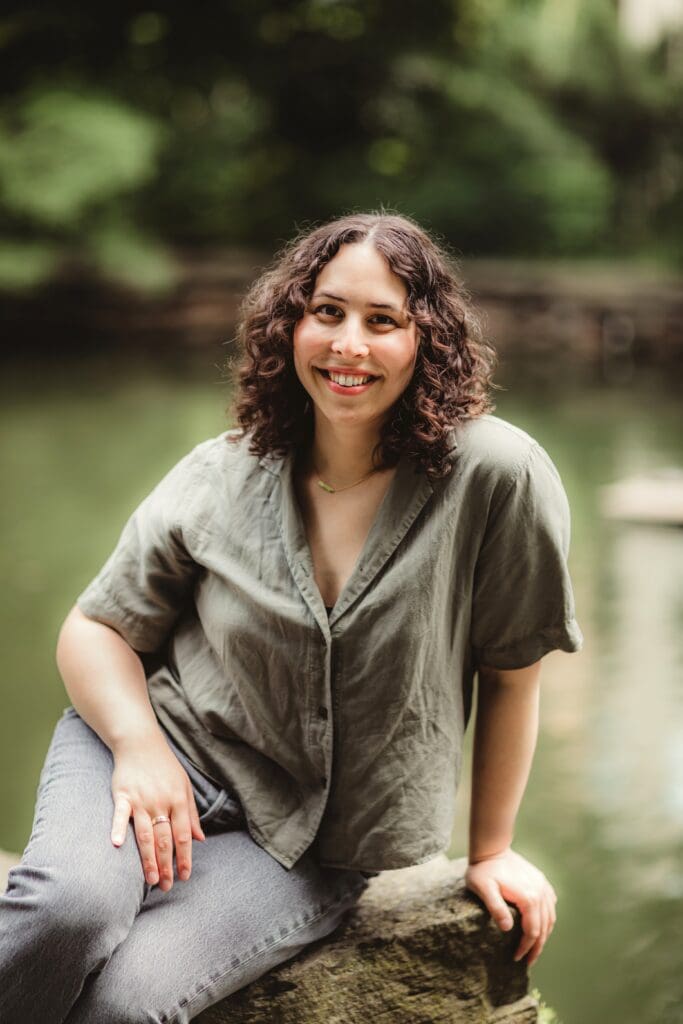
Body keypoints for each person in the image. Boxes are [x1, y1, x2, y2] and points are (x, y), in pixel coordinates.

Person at [0, 211, 583, 1023]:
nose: (349, 344)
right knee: (68, 912)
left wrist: (489, 851)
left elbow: (513, 674)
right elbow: (95, 627)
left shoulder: (495, 475)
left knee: (129, 1003)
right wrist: (138, 749)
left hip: (310, 845)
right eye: (327, 312)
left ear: (428, 341)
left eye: (383, 321)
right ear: (292, 323)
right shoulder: (225, 468)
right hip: (154, 755)